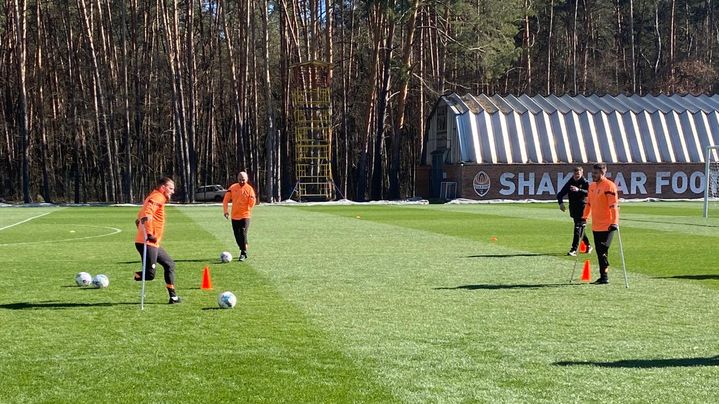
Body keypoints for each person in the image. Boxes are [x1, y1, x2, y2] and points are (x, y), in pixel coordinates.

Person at [134, 177, 181, 304]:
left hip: (152, 243)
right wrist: (149, 233)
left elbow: (140, 216)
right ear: (163, 187)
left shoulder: (154, 196)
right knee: (149, 275)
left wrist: (139, 223)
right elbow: (147, 212)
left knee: (169, 264)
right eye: (170, 188)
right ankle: (135, 275)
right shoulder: (158, 197)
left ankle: (173, 297)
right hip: (147, 242)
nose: (173, 191)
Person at [582, 163, 620, 285]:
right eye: (593, 173)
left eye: (596, 173)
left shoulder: (609, 186)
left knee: (603, 250)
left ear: (603, 173)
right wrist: (584, 217)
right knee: (599, 251)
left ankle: (604, 273)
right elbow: (588, 204)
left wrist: (615, 222)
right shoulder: (592, 186)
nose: (593, 175)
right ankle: (604, 277)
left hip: (608, 225)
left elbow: (614, 206)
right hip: (596, 225)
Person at [557, 167, 592, 256]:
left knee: (577, 228)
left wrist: (579, 190)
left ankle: (574, 249)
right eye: (575, 174)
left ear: (582, 173)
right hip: (574, 209)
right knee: (580, 230)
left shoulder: (585, 182)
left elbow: (590, 192)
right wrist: (560, 203)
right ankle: (588, 245)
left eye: (578, 174)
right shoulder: (570, 182)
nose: (576, 176)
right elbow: (560, 194)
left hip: (583, 209)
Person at [223, 172, 256, 262]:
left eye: (243, 180)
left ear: (247, 179)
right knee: (237, 235)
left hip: (245, 215)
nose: (241, 181)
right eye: (240, 180)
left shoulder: (249, 189)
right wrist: (226, 211)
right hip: (234, 215)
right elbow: (226, 200)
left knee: (242, 232)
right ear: (237, 179)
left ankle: (243, 253)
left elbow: (253, 201)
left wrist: (251, 202)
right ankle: (243, 247)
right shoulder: (233, 188)